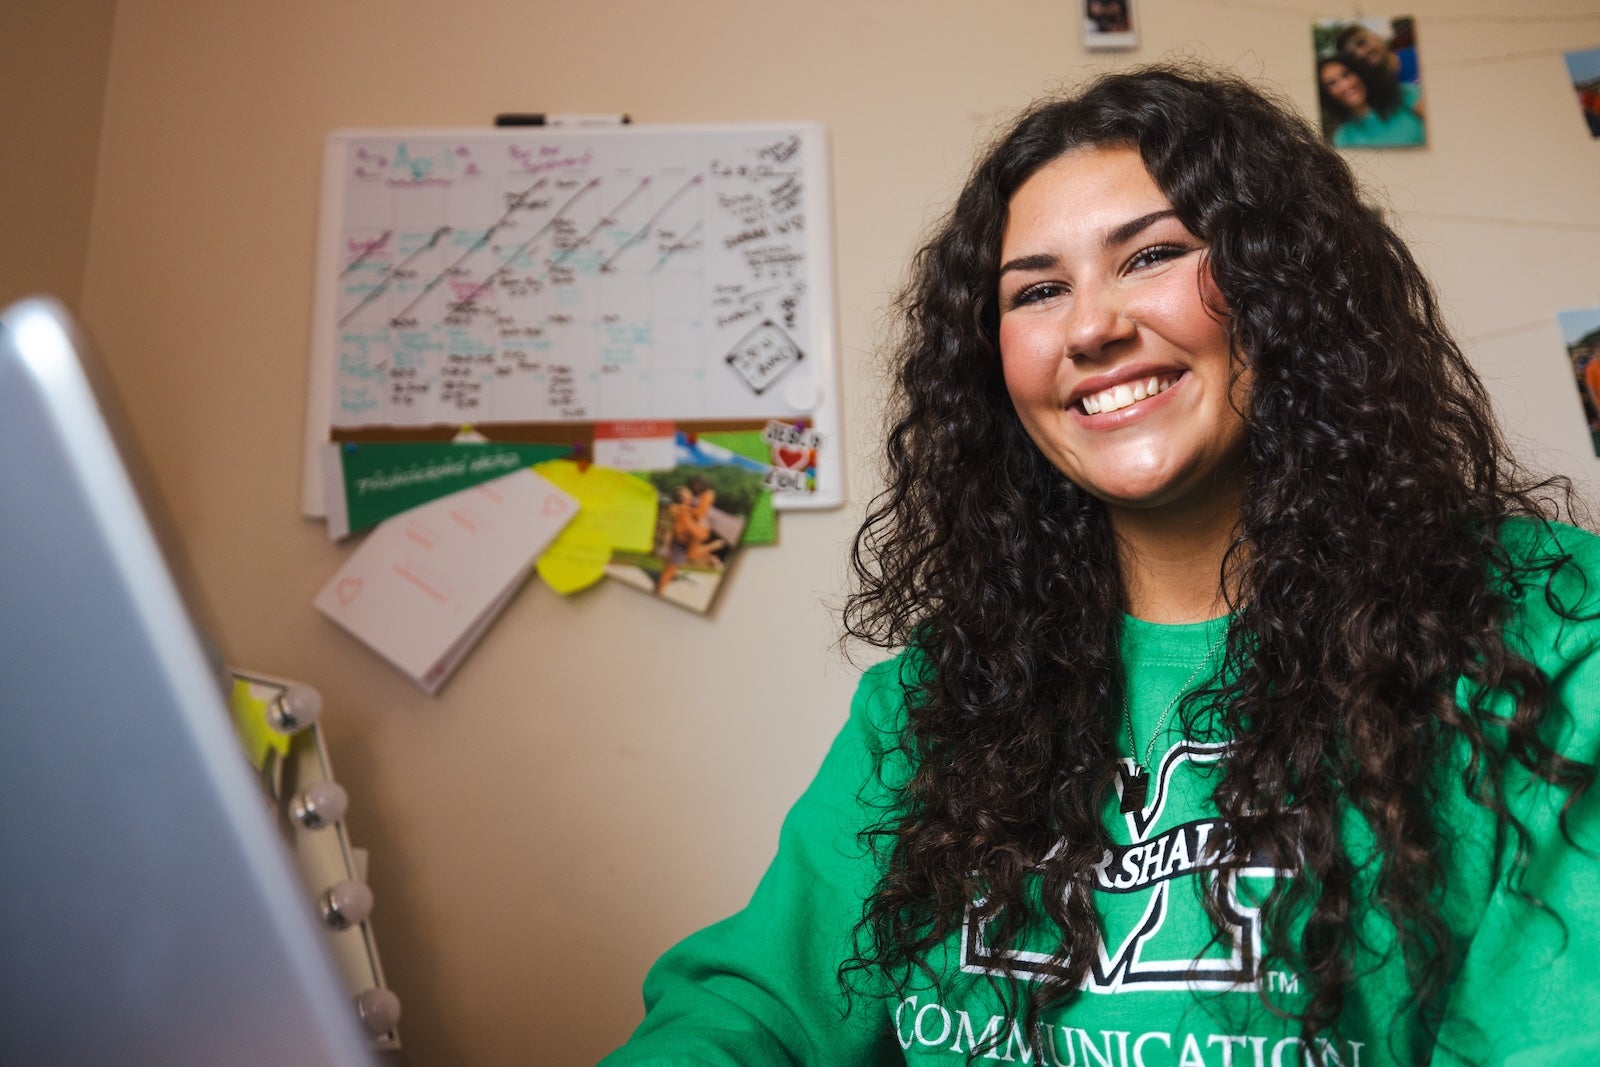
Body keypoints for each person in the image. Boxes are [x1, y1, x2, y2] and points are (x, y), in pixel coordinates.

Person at [604, 65, 1600, 1065]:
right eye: (1037, 290)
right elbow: (757, 1008)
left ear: (1287, 288)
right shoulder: (935, 697)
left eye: (1153, 254)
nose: (1089, 328)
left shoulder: (1548, 636)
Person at [1317, 56, 1425, 149]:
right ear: (1325, 94)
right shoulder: (1343, 138)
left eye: (1347, 74)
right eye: (1331, 83)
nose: (1346, 85)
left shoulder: (1402, 94)